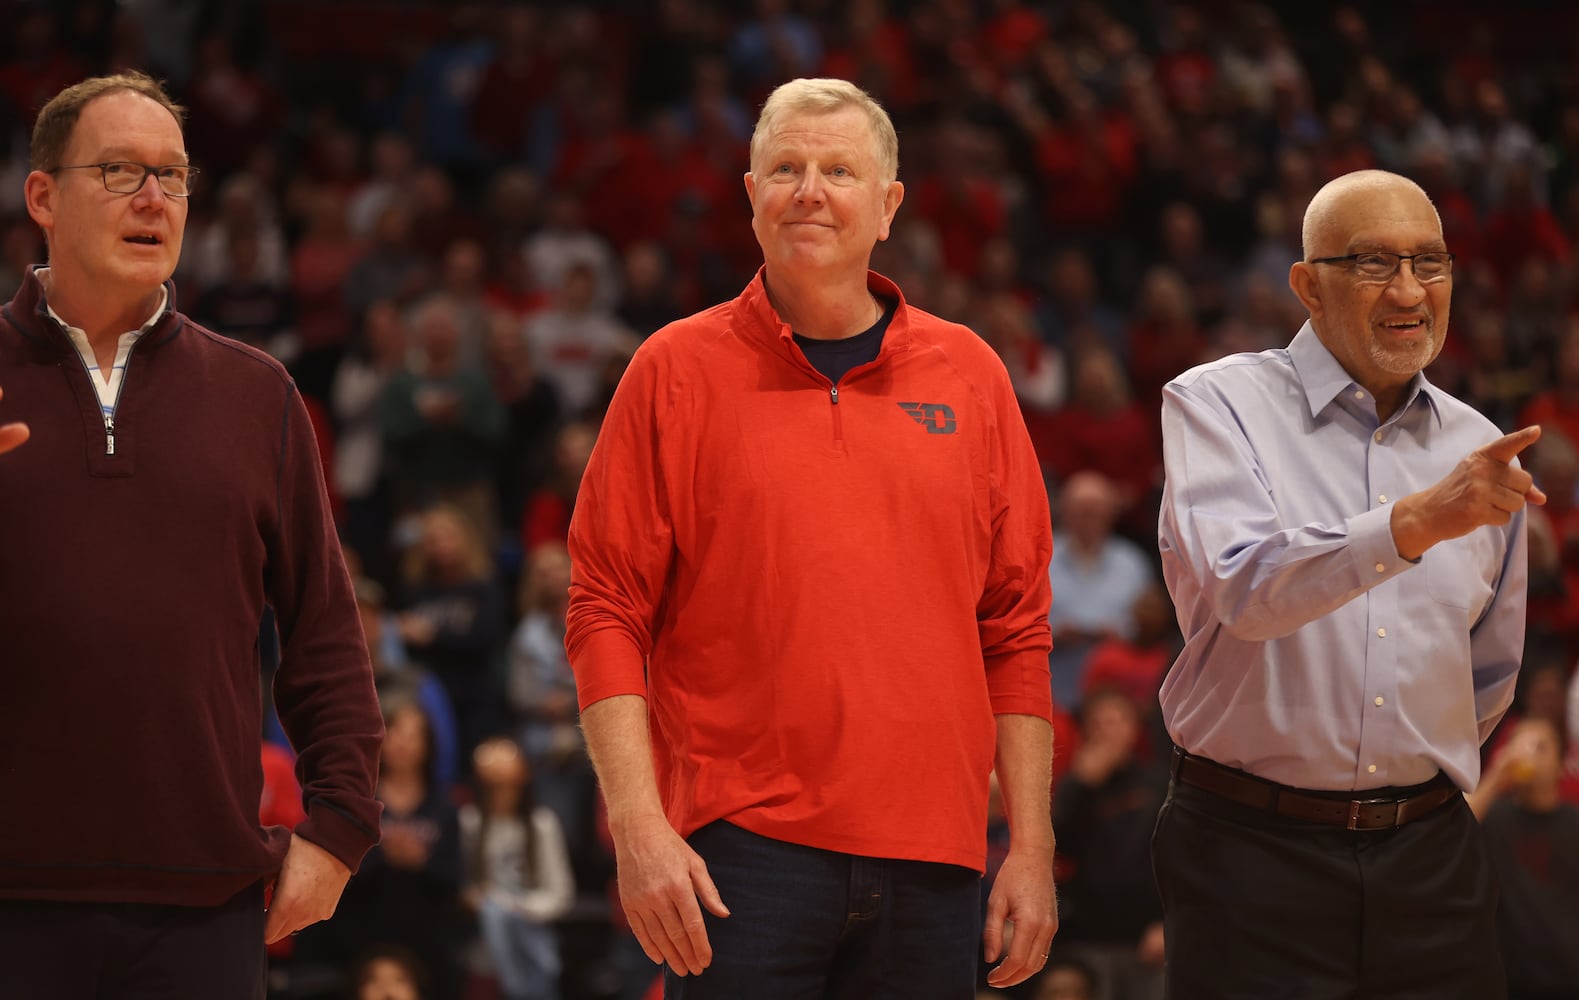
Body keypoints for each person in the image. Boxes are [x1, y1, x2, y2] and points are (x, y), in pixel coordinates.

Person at [566, 77, 1058, 999]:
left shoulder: (972, 374)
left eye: (839, 170)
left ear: (888, 205)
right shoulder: (670, 368)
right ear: (749, 195)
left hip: (935, 858)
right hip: (736, 854)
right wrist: (637, 827)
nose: (809, 190)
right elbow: (602, 610)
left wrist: (1028, 845)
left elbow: (1016, 627)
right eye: (784, 168)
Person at [0, 72, 383, 998]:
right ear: (42, 196)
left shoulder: (257, 395)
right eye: (120, 170)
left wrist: (338, 828)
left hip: (205, 908)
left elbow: (325, 632)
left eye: (172, 178)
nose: (152, 199)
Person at [1154, 168, 1544, 999]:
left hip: (1429, 854)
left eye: (1429, 263)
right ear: (1306, 285)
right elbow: (1244, 590)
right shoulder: (1215, 404)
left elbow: (1487, 674)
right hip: (1249, 853)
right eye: (1372, 263)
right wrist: (1408, 525)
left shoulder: (1478, 444)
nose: (1408, 290)